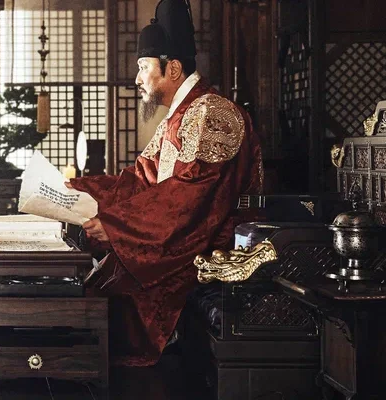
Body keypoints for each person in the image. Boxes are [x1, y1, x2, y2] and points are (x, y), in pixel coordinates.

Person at [67, 0, 263, 366]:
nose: (137, 78)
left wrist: (117, 228)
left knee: (105, 301)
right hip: (173, 238)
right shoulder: (180, 116)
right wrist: (76, 192)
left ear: (172, 68)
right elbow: (139, 181)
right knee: (90, 289)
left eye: (143, 67)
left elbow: (190, 200)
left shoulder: (214, 113)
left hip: (205, 248)